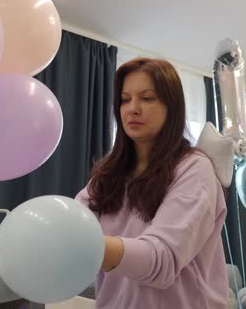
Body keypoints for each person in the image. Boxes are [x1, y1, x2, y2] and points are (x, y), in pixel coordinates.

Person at [75, 57, 229, 308]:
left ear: (172, 107)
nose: (132, 108)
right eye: (125, 99)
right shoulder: (107, 175)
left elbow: (162, 260)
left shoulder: (194, 169)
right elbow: (71, 221)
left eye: (147, 98)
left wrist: (81, 243)